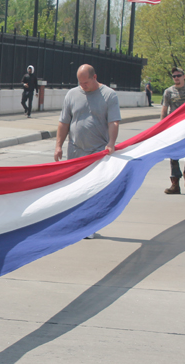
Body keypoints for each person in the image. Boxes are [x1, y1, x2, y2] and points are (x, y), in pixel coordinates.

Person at [54, 64, 121, 238]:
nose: (83, 86)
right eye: (80, 82)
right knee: (75, 189)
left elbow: (113, 122)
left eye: (86, 82)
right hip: (75, 150)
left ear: (94, 77)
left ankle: (88, 225)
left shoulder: (108, 95)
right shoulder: (72, 95)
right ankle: (75, 222)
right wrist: (58, 145)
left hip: (97, 150)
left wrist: (111, 143)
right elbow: (64, 122)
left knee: (91, 189)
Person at [161, 67, 185, 194]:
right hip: (175, 126)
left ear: (184, 76)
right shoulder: (168, 91)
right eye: (174, 76)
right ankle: (175, 184)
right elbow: (164, 110)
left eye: (178, 75)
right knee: (173, 154)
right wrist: (162, 127)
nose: (176, 78)